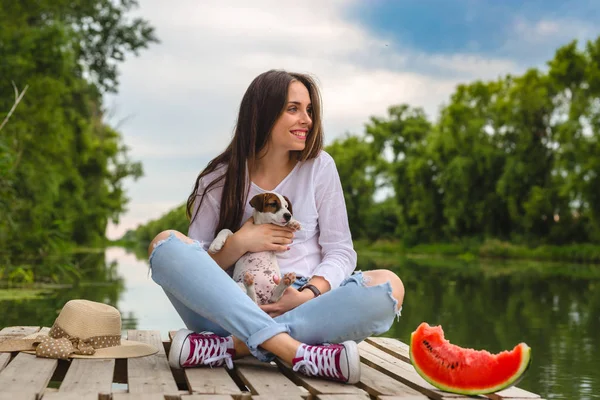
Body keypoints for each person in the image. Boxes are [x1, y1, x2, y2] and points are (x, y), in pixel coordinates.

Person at [147, 70, 405, 384]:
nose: (307, 119)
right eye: (293, 109)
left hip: (305, 304)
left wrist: (309, 294)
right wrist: (240, 243)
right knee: (166, 244)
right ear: (262, 114)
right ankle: (296, 352)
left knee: (389, 287)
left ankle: (233, 348)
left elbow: (341, 252)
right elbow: (198, 269)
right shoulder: (217, 179)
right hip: (232, 305)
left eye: (309, 110)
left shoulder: (320, 167)